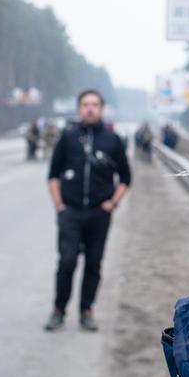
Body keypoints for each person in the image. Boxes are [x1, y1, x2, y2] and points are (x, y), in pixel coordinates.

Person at [44, 90, 131, 332]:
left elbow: (125, 177)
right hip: (70, 212)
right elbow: (53, 174)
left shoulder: (112, 140)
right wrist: (59, 205)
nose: (90, 109)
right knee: (67, 261)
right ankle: (58, 309)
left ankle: (86, 310)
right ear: (79, 108)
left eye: (94, 104)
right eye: (85, 104)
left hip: (99, 213)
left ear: (101, 109)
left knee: (93, 264)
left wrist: (113, 203)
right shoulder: (68, 137)